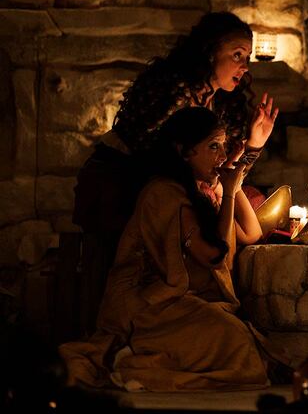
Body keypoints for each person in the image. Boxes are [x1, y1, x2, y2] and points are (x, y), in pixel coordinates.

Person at [72, 11, 277, 335]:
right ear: (210, 52)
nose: (244, 66)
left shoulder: (215, 102)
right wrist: (217, 188)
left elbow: (222, 166)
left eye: (247, 58)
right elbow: (177, 161)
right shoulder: (176, 92)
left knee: (250, 198)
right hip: (125, 182)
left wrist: (251, 147)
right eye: (237, 55)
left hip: (177, 183)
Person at [59, 108, 287, 392]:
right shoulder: (165, 193)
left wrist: (233, 182)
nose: (221, 156)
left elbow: (250, 233)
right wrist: (227, 191)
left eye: (223, 147)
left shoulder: (198, 192)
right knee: (235, 339)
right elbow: (212, 255)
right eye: (213, 146)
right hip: (151, 304)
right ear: (184, 151)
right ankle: (131, 359)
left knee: (244, 340)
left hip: (184, 301)